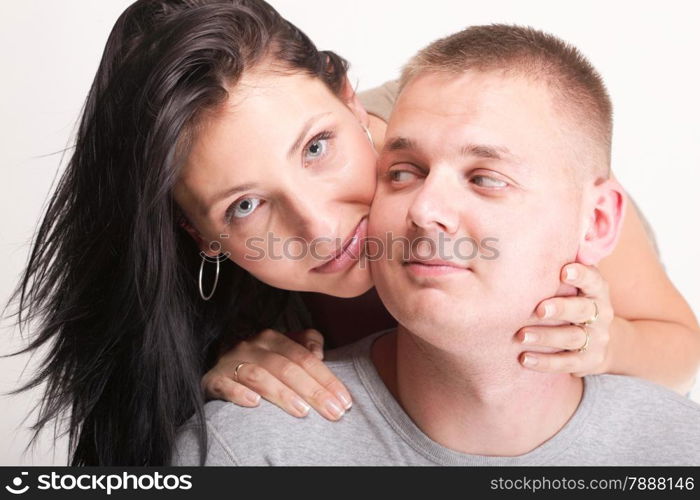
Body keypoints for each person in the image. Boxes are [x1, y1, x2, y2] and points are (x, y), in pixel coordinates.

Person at [9, 0, 698, 466]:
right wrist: (214, 380)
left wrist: (608, 343)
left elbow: (680, 345)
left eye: (317, 148)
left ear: (346, 95)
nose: (319, 225)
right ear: (201, 235)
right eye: (245, 206)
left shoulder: (490, 147)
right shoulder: (233, 348)